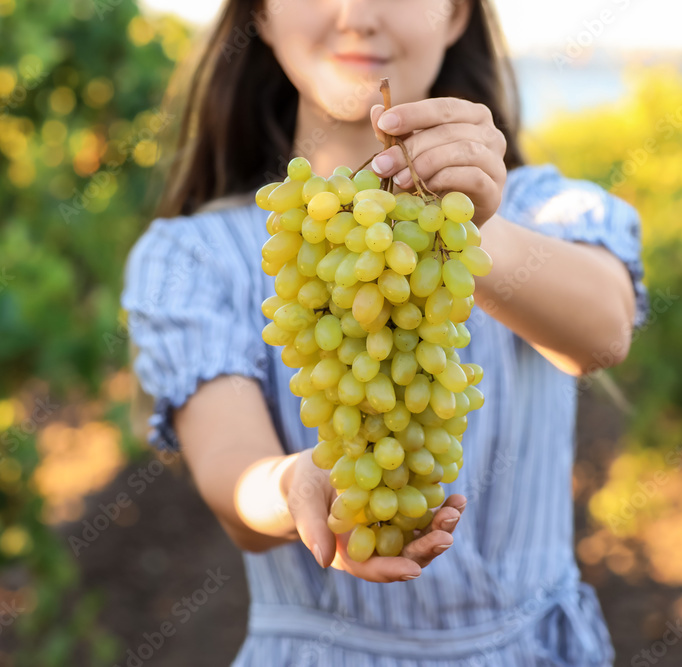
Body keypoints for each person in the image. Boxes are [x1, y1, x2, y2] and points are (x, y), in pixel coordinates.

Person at [122, 0, 647, 664]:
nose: (356, 15)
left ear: (456, 15)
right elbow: (233, 475)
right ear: (259, 12)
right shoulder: (194, 255)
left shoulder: (542, 208)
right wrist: (293, 484)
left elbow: (602, 332)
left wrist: (468, 230)